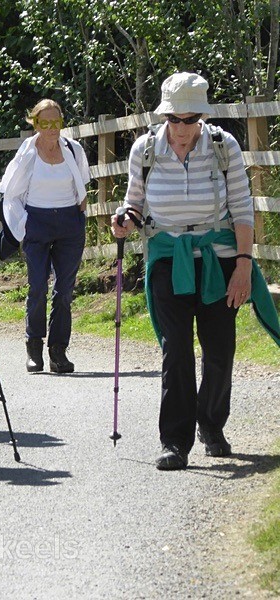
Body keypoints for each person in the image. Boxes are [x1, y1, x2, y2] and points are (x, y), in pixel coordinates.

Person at [112, 72, 279, 471]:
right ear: (165, 118)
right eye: (174, 119)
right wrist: (125, 219)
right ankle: (175, 441)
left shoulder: (223, 146)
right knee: (177, 349)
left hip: (220, 259)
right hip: (169, 257)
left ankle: (211, 423)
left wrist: (243, 264)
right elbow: (135, 201)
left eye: (190, 119)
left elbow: (241, 205)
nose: (182, 128)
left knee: (220, 350)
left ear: (201, 117)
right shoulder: (146, 149)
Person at [0, 99, 90, 374]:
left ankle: (58, 351)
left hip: (69, 224)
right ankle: (34, 346)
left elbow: (82, 183)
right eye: (45, 123)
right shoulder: (27, 154)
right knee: (37, 286)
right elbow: (11, 192)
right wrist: (23, 225)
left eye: (56, 122)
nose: (51, 128)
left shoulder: (73, 149)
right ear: (35, 124)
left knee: (64, 291)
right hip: (36, 221)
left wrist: (80, 211)